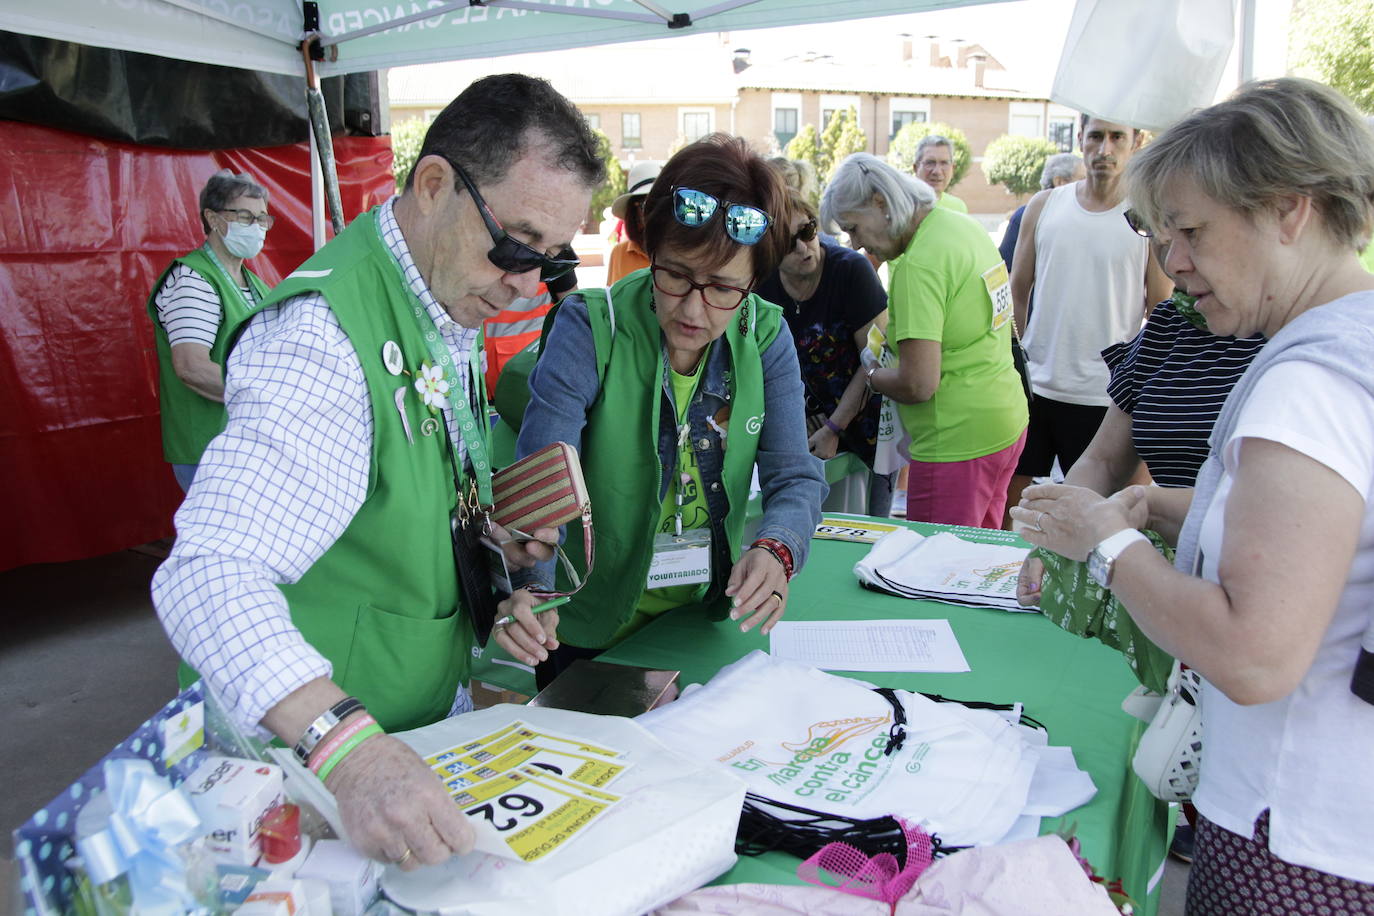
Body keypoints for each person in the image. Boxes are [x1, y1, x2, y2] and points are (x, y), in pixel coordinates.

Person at [152, 74, 606, 870]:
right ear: (434, 186)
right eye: (515, 246)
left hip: (407, 738)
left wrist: (487, 564)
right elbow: (206, 576)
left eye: (553, 261)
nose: (527, 285)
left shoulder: (442, 298)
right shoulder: (320, 340)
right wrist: (348, 751)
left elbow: (387, 488)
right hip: (298, 782)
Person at [1012, 78, 1374, 913]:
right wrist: (1163, 508)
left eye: (1190, 231)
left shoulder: (1310, 382)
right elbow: (1322, 541)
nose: (1171, 261)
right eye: (1160, 234)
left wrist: (1106, 545)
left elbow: (1254, 653)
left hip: (1293, 841)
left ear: (1288, 209)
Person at [515, 133, 827, 687]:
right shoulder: (591, 327)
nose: (692, 308)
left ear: (754, 282)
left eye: (724, 288)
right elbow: (542, 484)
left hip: (702, 619)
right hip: (588, 629)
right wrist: (533, 590)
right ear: (650, 251)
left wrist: (778, 549)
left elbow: (795, 477)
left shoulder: (766, 336)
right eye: (676, 274)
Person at [823, 153, 1027, 528]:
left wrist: (871, 373)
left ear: (880, 204)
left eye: (854, 227)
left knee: (935, 572)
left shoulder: (918, 265)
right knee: (975, 560)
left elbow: (917, 384)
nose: (854, 244)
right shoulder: (958, 225)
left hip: (955, 441)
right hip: (1003, 420)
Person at [1006, 116, 1172, 519]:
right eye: (1095, 136)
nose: (1105, 149)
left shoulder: (1148, 215)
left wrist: (1145, 390)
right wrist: (1022, 360)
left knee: (1103, 518)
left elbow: (1160, 307)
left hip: (1107, 396)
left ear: (1137, 141)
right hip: (1037, 390)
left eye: (1117, 137)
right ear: (1080, 139)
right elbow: (1017, 292)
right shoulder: (1045, 207)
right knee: (1012, 510)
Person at [755, 187, 892, 517]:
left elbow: (874, 359)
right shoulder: (762, 286)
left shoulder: (852, 271)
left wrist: (834, 427)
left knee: (871, 531)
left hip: (867, 425)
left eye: (808, 231)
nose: (804, 248)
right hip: (803, 427)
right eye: (789, 243)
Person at [147, 170, 273, 492]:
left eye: (262, 219)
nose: (257, 227)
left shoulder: (254, 284)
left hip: (245, 444)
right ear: (213, 219)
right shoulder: (193, 280)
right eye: (246, 216)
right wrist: (263, 395)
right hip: (209, 448)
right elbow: (192, 368)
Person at [999, 152, 1084, 271]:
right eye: (1083, 179)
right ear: (1059, 182)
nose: (1088, 185)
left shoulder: (1086, 218)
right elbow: (1005, 268)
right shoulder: (1025, 216)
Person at [607, 161, 661, 283]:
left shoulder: (681, 250)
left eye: (659, 203)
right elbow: (612, 299)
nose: (655, 211)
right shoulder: (619, 254)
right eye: (646, 205)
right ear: (634, 212)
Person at [913, 135, 967, 214]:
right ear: (916, 168)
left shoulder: (958, 207)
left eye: (944, 163)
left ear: (953, 169)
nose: (937, 171)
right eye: (930, 163)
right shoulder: (901, 205)